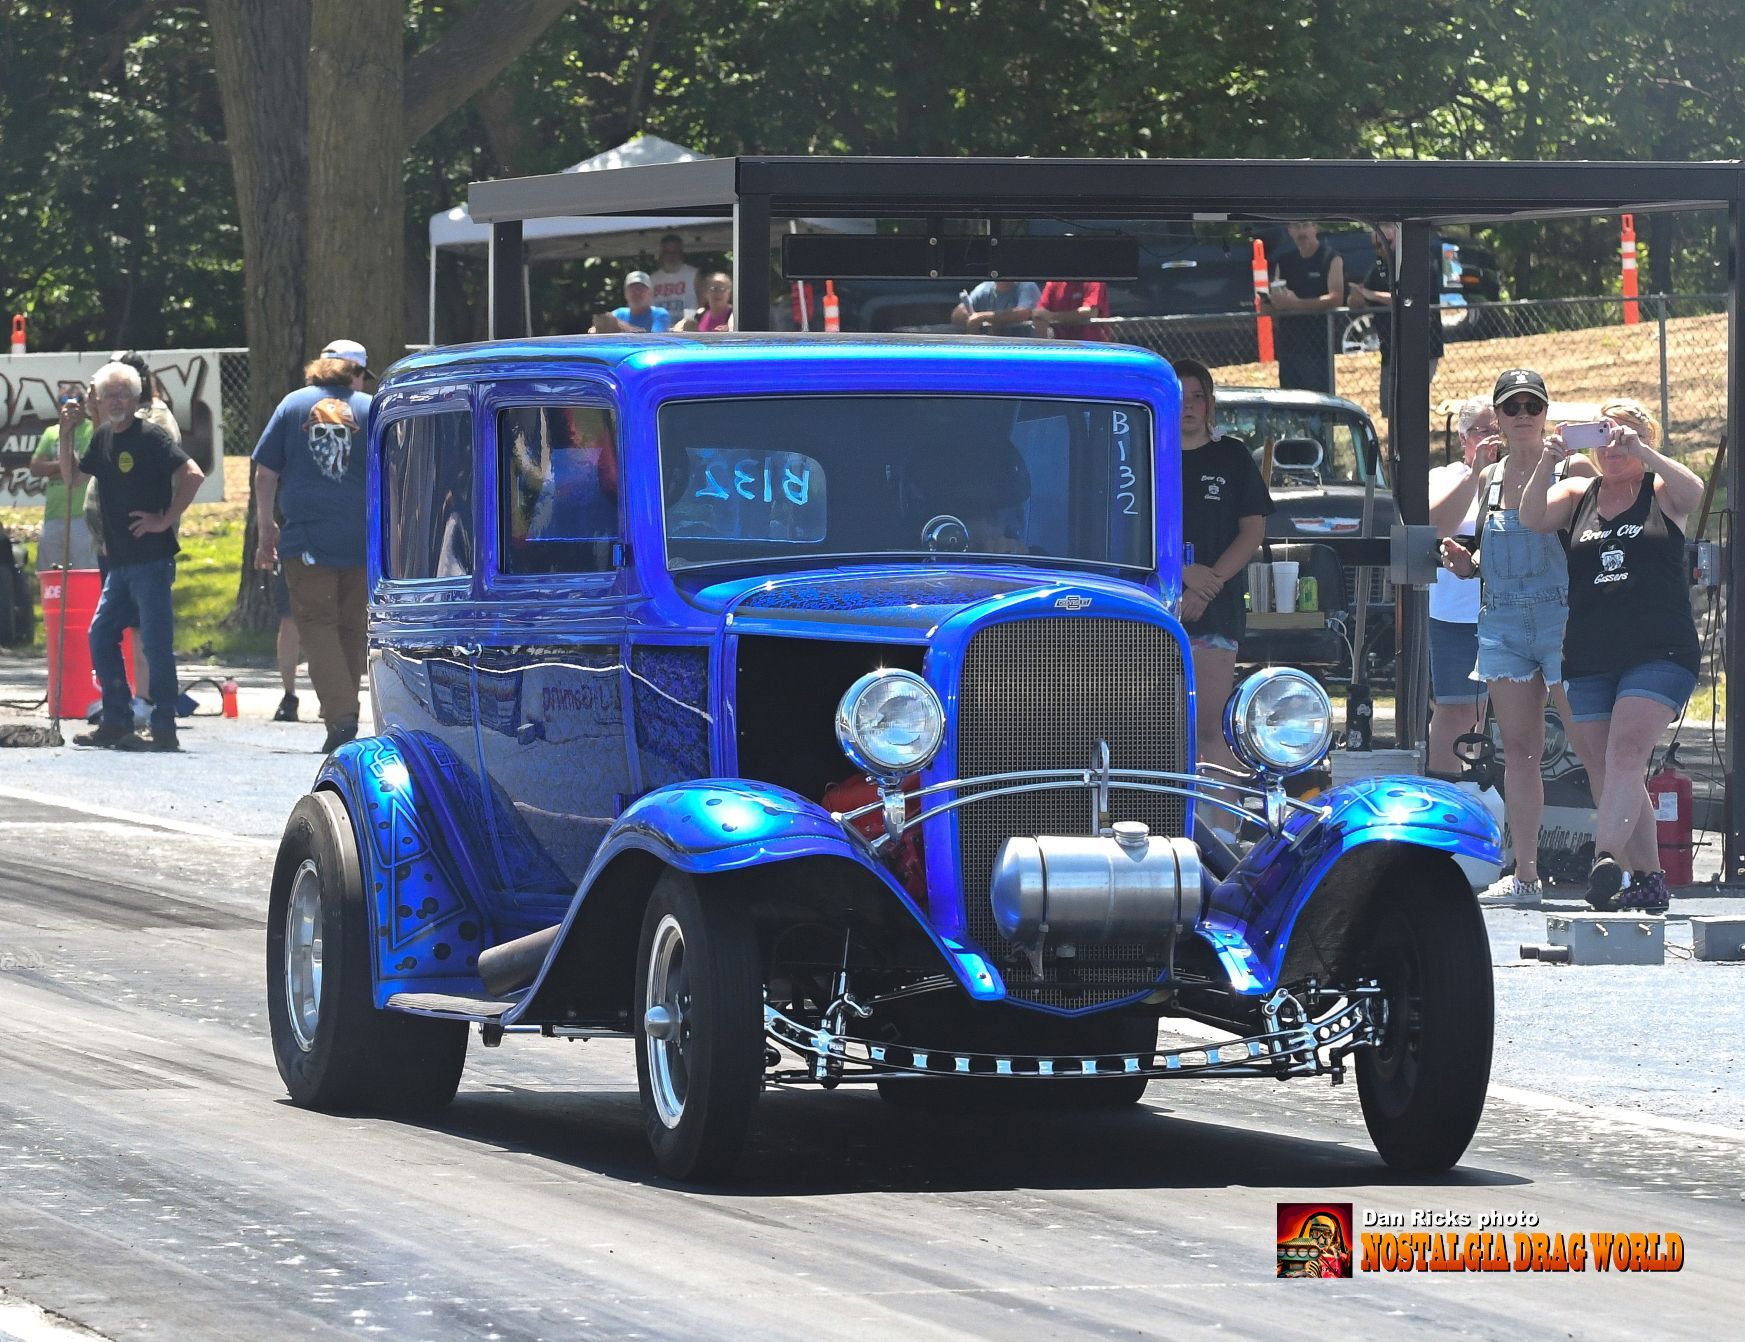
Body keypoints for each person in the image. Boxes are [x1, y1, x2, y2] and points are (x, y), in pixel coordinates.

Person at [1521, 399, 1704, 914]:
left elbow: (1694, 491)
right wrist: (1547, 459)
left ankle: (1604, 860)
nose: (1612, 448)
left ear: (1643, 439)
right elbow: (1532, 516)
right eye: (1604, 437)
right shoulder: (1581, 493)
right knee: (1609, 767)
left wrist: (1643, 450)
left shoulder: (1660, 492)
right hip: (1590, 652)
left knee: (1626, 752)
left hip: (1659, 650)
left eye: (1622, 436)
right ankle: (1649, 878)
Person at [1440, 369, 1595, 906]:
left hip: (1562, 619)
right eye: (1512, 407)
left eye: (1533, 404)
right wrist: (1469, 565)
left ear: (1546, 412)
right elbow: (1462, 535)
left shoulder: (1573, 467)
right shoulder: (1490, 478)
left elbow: (1587, 541)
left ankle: (1623, 865)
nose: (1524, 414)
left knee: (1591, 744)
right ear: (1498, 419)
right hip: (1502, 623)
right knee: (1520, 752)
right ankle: (1525, 874)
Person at [58, 361, 204, 751]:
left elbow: (193, 475)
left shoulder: (151, 436)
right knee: (101, 635)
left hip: (152, 560)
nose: (117, 400)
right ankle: (117, 718)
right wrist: (66, 434)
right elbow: (72, 477)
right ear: (100, 401)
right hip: (119, 562)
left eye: (125, 393)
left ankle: (163, 726)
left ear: (137, 397)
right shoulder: (103, 435)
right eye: (111, 394)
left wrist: (166, 519)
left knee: (156, 644)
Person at [253, 340, 372, 753]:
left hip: (307, 537)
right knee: (349, 627)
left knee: (316, 623)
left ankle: (341, 717)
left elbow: (266, 472)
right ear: (354, 374)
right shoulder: (371, 408)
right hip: (362, 537)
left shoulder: (291, 405)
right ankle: (346, 712)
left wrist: (266, 525)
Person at [1175, 357, 1273, 771]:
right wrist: (1182, 573)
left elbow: (1252, 530)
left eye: (1198, 397)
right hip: (1158, 607)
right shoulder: (1146, 455)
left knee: (1208, 729)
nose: (1189, 406)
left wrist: (1207, 584)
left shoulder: (1231, 456)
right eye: (1180, 396)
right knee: (1163, 731)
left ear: (1210, 403)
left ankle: (1222, 832)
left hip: (1217, 609)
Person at [1424, 396, 1497, 776]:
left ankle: (1478, 783)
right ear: (1465, 437)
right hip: (1456, 616)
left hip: (1510, 613)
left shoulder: (1526, 475)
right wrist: (1476, 475)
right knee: (1458, 710)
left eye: (1500, 429)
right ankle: (1447, 788)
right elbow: (1434, 526)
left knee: (1492, 713)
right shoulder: (1445, 477)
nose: (1494, 438)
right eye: (1485, 431)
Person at [1346, 223, 1445, 420]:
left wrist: (1370, 294)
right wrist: (1356, 295)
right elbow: (1358, 301)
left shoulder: (1420, 261)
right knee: (1390, 408)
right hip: (1390, 349)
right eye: (1376, 246)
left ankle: (1414, 449)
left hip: (1422, 347)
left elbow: (1408, 298)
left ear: (1399, 238)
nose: (1381, 249)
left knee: (1412, 404)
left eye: (1386, 243)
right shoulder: (1379, 267)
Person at [1261, 221, 1343, 394]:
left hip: (1318, 347)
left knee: (1320, 402)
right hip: (1289, 347)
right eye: (1296, 227)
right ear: (1289, 230)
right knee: (1291, 403)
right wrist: (1269, 303)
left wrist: (1296, 304)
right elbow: (1275, 299)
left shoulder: (1331, 258)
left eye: (1305, 226)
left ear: (1315, 227)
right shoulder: (1283, 261)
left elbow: (1336, 298)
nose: (1301, 232)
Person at [28, 385, 99, 572]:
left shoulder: (93, 430)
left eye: (76, 402)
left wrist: (59, 463)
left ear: (84, 405)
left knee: (84, 569)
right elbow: (35, 467)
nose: (70, 408)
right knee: (50, 570)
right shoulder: (52, 432)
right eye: (63, 402)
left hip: (82, 514)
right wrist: (62, 464)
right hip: (54, 513)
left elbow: (79, 468)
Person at [951, 279, 1042, 337]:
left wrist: (982, 317)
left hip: (1021, 345)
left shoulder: (1027, 285)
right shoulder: (984, 288)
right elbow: (956, 316)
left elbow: (1023, 313)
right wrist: (968, 317)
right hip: (988, 346)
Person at [1031, 279, 1108, 341]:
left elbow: (1091, 312)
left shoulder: (1093, 280)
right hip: (1061, 345)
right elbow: (1039, 312)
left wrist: (1052, 316)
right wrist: (1044, 342)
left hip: (1093, 346)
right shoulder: (1053, 282)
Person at [648, 233, 698, 325]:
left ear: (681, 253)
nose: (671, 256)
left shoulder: (694, 274)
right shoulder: (651, 279)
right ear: (661, 254)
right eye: (667, 252)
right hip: (658, 329)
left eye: (675, 252)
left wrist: (685, 323)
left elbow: (701, 303)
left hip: (687, 328)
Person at [272, 563, 301, 721]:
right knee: (341, 622)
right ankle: (343, 702)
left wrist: (266, 542)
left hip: (298, 548)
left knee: (290, 618)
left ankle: (289, 696)